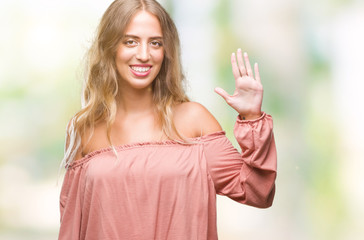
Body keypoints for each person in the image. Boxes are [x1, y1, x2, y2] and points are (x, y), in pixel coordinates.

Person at [58, 0, 277, 239]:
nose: (144, 55)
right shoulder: (84, 129)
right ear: (110, 47)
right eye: (130, 41)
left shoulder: (194, 120)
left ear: (166, 51)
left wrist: (252, 117)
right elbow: (72, 227)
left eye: (155, 43)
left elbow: (257, 191)